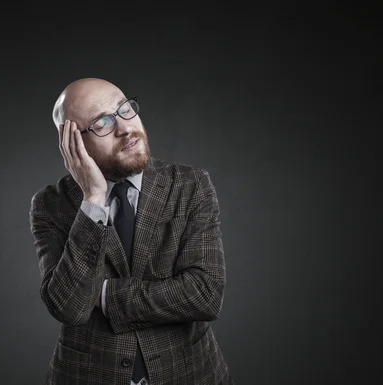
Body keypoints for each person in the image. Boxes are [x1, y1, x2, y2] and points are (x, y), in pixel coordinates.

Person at [29, 77, 234, 384]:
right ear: (73, 141)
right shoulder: (50, 204)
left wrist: (107, 296)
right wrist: (93, 201)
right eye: (103, 123)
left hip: (191, 373)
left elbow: (204, 293)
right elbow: (69, 306)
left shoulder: (191, 184)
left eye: (125, 109)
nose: (126, 128)